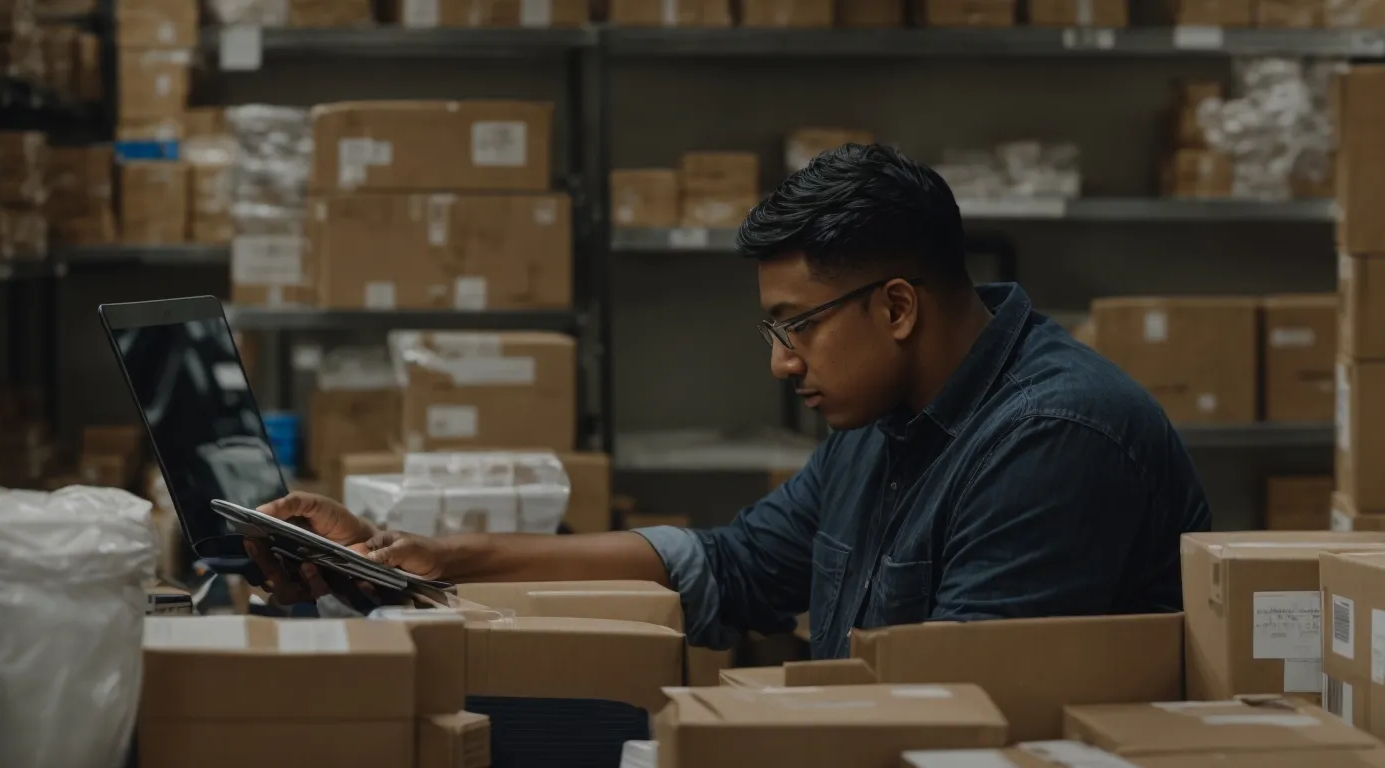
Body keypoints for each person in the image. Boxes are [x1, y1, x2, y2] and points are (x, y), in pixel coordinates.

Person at [249, 144, 1212, 658]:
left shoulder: (1054, 438)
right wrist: (417, 560)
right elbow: (733, 564)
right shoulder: (888, 420)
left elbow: (952, 709)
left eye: (796, 326)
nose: (782, 365)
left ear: (899, 307)